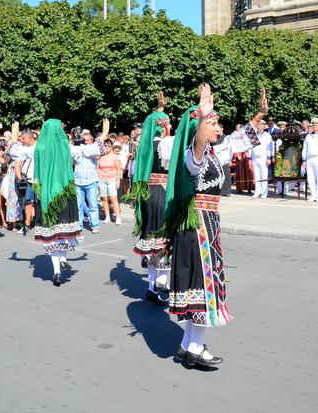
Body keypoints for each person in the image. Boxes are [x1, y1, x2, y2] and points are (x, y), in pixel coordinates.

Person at [163, 84, 267, 369]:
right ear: (198, 128)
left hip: (208, 224)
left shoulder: (213, 154)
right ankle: (196, 348)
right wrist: (201, 116)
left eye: (217, 123)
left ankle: (188, 345)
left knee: (200, 285)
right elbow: (198, 144)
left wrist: (259, 115)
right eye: (213, 124)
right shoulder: (194, 155)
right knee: (203, 284)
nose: (218, 128)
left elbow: (238, 141)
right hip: (198, 226)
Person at [20, 119, 108, 286]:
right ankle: (63, 259)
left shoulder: (38, 148)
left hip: (47, 197)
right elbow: (92, 149)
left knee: (53, 234)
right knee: (64, 232)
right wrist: (103, 134)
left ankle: (57, 272)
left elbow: (17, 152)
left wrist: (15, 137)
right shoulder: (67, 147)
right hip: (65, 195)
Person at [127, 101, 174, 304]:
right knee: (165, 237)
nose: (170, 125)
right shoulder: (165, 144)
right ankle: (162, 281)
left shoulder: (145, 146)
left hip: (147, 194)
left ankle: (151, 288)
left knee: (151, 237)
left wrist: (159, 111)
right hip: (163, 192)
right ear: (162, 125)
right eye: (167, 122)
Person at [74, 128, 103, 234]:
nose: (85, 142)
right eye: (83, 140)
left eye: (87, 140)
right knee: (78, 205)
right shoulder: (77, 149)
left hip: (91, 181)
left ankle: (95, 225)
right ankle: (79, 225)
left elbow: (98, 156)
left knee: (93, 205)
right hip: (78, 181)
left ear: (91, 140)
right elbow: (72, 161)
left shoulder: (94, 149)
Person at [97, 139, 123, 224]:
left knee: (113, 198)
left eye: (109, 145)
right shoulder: (100, 156)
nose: (107, 147)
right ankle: (107, 216)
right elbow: (97, 167)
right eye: (105, 145)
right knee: (104, 198)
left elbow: (118, 169)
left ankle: (117, 217)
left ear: (111, 147)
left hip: (112, 179)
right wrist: (97, 178)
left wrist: (118, 181)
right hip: (101, 179)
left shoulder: (115, 157)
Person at [249, 119, 273, 199]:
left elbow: (269, 147)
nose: (258, 127)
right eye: (257, 125)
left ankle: (264, 193)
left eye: (260, 125)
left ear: (263, 126)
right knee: (256, 176)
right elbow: (250, 147)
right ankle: (257, 192)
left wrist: (269, 158)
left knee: (264, 175)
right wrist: (249, 158)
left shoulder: (267, 135)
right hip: (255, 157)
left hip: (263, 157)